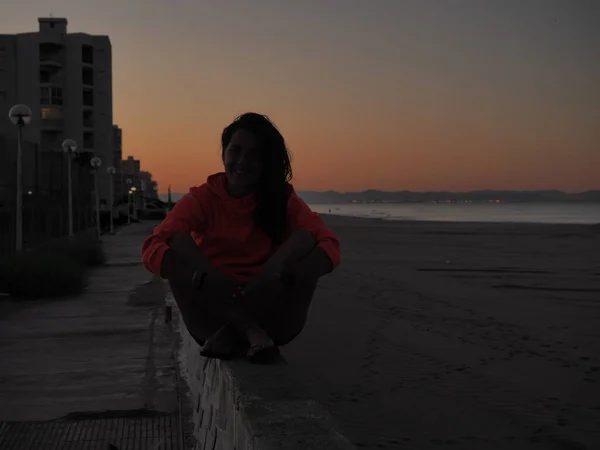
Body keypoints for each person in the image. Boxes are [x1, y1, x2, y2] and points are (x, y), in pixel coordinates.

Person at [141, 112, 341, 363]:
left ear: (266, 161)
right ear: (224, 152)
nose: (242, 161)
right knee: (175, 241)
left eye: (254, 154)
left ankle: (239, 328)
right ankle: (247, 330)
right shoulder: (203, 199)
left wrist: (282, 276)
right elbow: (152, 247)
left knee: (306, 239)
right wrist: (206, 278)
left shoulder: (282, 199)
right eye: (236, 150)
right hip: (209, 315)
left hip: (273, 317)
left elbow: (330, 245)